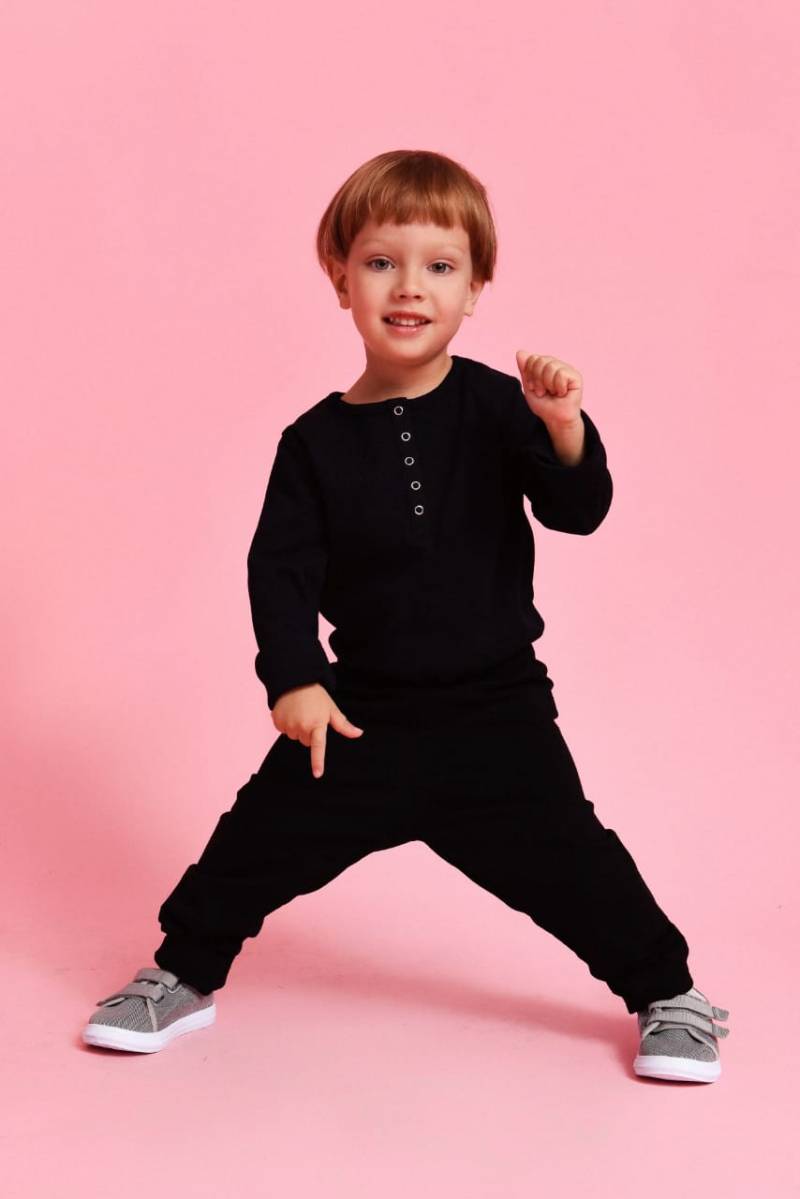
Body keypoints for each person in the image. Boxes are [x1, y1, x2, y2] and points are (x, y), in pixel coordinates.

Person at [81, 149, 730, 1081]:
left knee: (576, 861)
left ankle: (672, 994)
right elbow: (279, 571)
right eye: (382, 262)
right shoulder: (312, 443)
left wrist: (563, 428)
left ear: (475, 289)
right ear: (340, 278)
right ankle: (180, 974)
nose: (410, 287)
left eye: (440, 266)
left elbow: (578, 511)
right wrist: (295, 677)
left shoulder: (502, 407)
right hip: (361, 716)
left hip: (497, 712)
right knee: (253, 843)